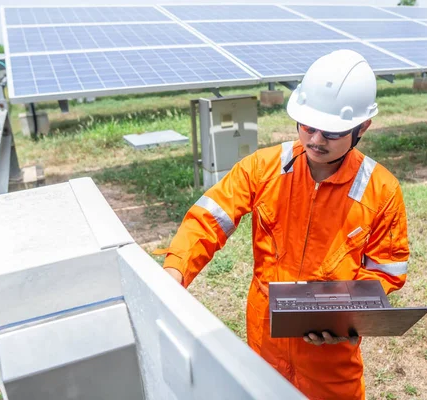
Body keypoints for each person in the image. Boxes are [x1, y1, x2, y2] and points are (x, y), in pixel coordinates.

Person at [156, 49, 409, 400]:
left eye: (331, 132)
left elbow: (387, 270)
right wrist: (175, 271)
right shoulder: (263, 168)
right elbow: (208, 220)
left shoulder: (381, 190)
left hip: (330, 362)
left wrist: (346, 317)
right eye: (308, 126)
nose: (316, 140)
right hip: (264, 340)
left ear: (361, 128)